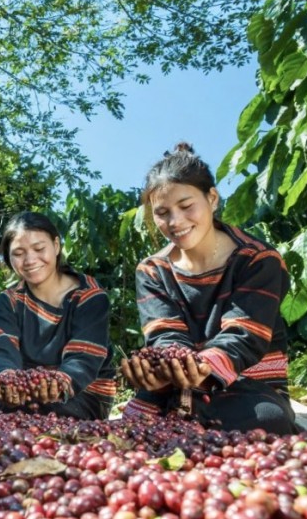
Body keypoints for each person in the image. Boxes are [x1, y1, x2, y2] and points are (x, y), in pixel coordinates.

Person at [119, 142, 297, 435]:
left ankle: (187, 420)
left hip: (247, 384)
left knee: (266, 420)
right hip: (175, 386)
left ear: (212, 199)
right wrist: (166, 371)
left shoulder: (258, 260)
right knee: (130, 428)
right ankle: (187, 417)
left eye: (187, 206)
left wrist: (200, 371)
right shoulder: (152, 270)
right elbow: (165, 335)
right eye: (162, 213)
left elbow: (244, 337)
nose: (175, 222)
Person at [0, 211, 117, 420]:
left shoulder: (90, 297)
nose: (30, 260)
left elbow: (83, 360)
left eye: (39, 249)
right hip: (24, 391)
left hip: (80, 394)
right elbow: (2, 351)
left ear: (56, 246)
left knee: (42, 411)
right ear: (9, 258)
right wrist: (7, 382)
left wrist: (56, 384)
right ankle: (20, 416)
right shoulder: (7, 302)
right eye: (19, 253)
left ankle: (19, 418)